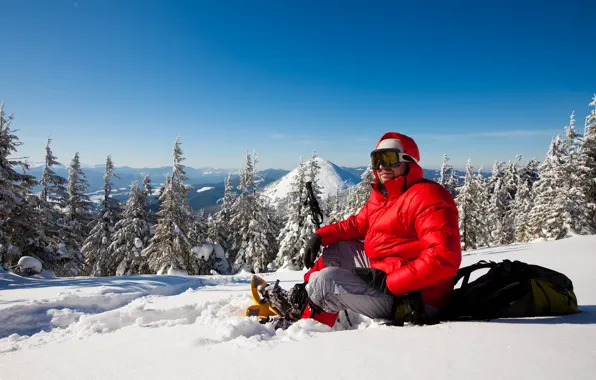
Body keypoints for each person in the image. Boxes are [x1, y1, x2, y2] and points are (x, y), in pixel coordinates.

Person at [273, 132, 462, 328]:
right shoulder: (385, 195)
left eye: (389, 158)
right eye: (377, 159)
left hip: (413, 298)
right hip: (385, 271)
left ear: (409, 161)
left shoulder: (429, 196)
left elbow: (444, 258)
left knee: (326, 283)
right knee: (337, 251)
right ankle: (302, 299)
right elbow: (357, 224)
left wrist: (391, 282)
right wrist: (321, 236)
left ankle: (302, 333)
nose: (382, 166)